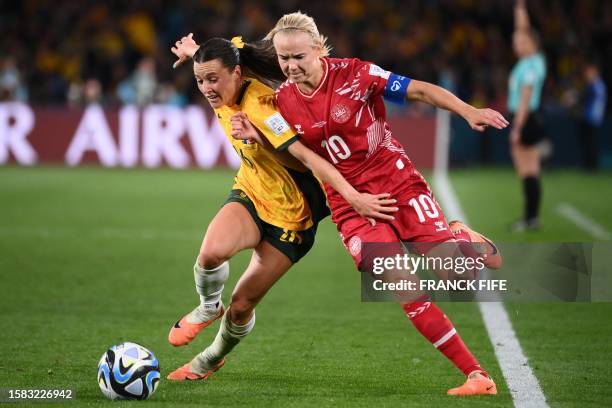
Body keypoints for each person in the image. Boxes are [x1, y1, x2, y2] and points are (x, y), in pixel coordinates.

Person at [229, 11, 508, 396]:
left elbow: (420, 90)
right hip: (349, 206)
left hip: (398, 185)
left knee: (457, 276)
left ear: (318, 49)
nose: (291, 66)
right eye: (283, 59)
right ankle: (477, 376)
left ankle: (458, 233)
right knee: (405, 286)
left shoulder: (356, 75)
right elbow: (303, 161)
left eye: (298, 57)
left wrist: (467, 110)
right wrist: (261, 141)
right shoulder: (282, 104)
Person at [165, 34, 399, 381]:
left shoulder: (264, 105)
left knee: (243, 304)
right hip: (253, 192)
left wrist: (351, 197)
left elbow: (303, 161)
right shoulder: (223, 83)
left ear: (237, 74)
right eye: (200, 80)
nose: (207, 89)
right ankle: (208, 306)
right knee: (211, 254)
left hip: (293, 217)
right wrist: (195, 54)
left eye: (213, 79)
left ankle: (209, 359)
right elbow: (223, 57)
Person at [508, 0, 547, 231]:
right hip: (529, 118)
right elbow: (522, 30)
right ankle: (532, 218)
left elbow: (525, 96)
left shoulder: (531, 65)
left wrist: (517, 127)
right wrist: (520, 8)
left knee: (527, 170)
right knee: (530, 170)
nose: (517, 45)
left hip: (526, 118)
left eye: (521, 42)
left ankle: (530, 218)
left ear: (532, 43)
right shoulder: (531, 61)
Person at [580, 60, 607, 170]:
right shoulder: (595, 85)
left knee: (591, 142)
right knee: (588, 142)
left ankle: (592, 166)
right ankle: (589, 165)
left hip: (592, 118)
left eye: (590, 72)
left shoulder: (597, 85)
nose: (587, 75)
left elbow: (589, 99)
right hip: (590, 117)